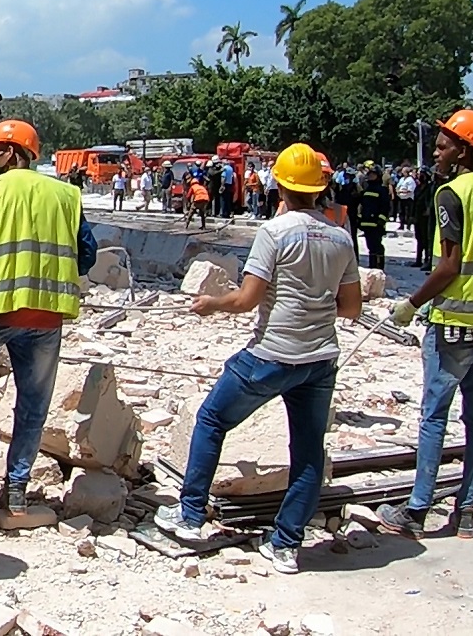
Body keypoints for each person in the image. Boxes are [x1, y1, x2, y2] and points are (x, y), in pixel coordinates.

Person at [154, 143, 360, 573]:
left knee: (212, 419)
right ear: (320, 188)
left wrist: (212, 303)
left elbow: (247, 300)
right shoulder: (340, 237)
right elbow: (352, 307)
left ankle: (190, 515)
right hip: (320, 359)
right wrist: (314, 306)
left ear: (280, 186)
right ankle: (286, 546)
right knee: (307, 452)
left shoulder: (275, 233)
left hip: (272, 354)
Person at [0, 119, 98, 523]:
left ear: (13, 152)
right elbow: (88, 254)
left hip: (3, 306)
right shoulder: (67, 194)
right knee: (33, 403)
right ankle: (17, 493)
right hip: (49, 314)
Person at [380, 111, 473, 541]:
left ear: (463, 150)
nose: (437, 153)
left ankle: (418, 509)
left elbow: (449, 265)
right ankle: (464, 512)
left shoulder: (451, 194)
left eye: (444, 146)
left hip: (451, 325)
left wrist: (411, 303)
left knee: (433, 418)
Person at [357, 164, 392, 271]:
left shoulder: (382, 190)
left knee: (377, 246)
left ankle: (379, 267)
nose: (371, 177)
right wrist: (360, 219)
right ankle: (372, 266)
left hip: (376, 224)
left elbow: (385, 207)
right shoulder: (366, 190)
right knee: (370, 246)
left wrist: (381, 221)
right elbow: (362, 206)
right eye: (370, 175)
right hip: (366, 223)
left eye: (373, 174)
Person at [413, 168, 437, 272]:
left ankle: (428, 260)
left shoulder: (430, 187)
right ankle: (418, 259)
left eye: (422, 174)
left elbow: (430, 200)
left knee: (426, 239)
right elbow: (415, 202)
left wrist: (428, 209)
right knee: (418, 238)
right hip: (418, 216)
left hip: (427, 217)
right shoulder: (418, 187)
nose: (419, 176)